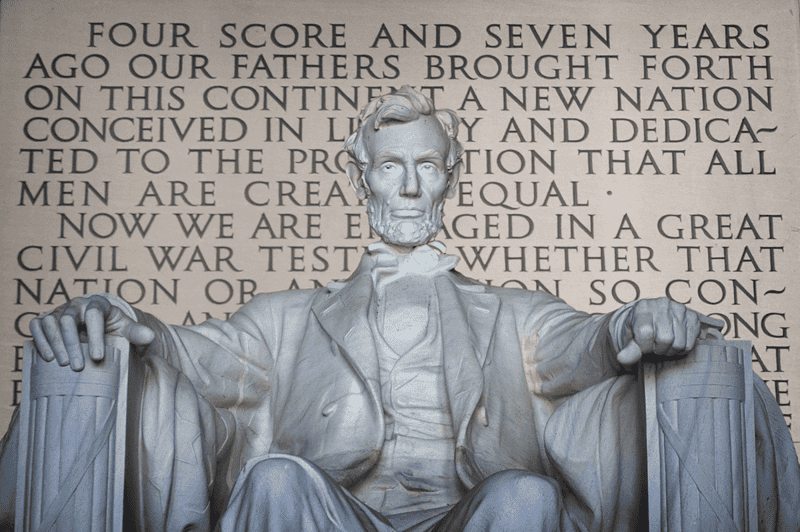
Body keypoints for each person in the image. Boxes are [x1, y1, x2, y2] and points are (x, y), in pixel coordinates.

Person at [1, 87, 798, 532]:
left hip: (469, 516)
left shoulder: (512, 315)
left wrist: (634, 322)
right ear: (363, 178)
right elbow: (197, 355)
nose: (410, 187)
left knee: (527, 496)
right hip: (330, 513)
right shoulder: (288, 318)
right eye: (390, 167)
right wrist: (130, 323)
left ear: (451, 175)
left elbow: (585, 343)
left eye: (427, 166)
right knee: (275, 479)